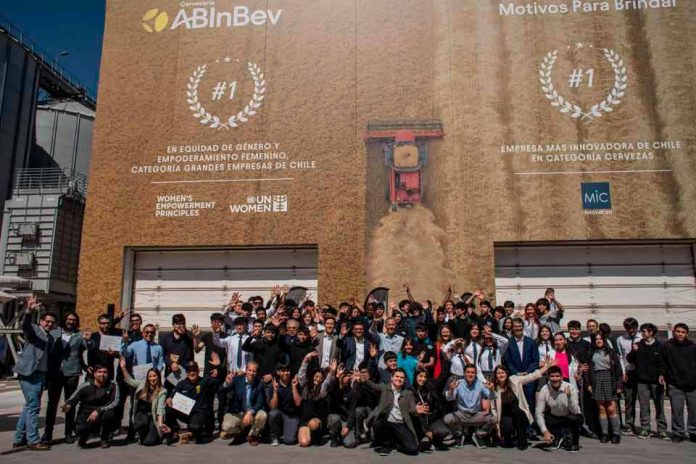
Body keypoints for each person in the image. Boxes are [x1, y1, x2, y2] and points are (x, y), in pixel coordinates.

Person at [13, 297, 56, 450]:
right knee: (34, 406)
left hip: (41, 374)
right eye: (47, 321)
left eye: (52, 322)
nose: (49, 324)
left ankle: (19, 438)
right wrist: (29, 310)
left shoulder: (50, 337)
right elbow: (26, 326)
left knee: (29, 406)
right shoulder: (35, 330)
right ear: (41, 321)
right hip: (29, 372)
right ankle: (32, 440)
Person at [492, 359, 557, 450]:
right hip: (505, 416)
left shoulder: (514, 380)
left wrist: (546, 367)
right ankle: (508, 438)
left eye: (503, 373)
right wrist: (497, 427)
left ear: (506, 374)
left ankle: (522, 440)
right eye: (498, 373)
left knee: (518, 413)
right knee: (507, 434)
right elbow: (493, 408)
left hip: (518, 413)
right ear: (495, 376)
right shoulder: (494, 389)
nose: (501, 375)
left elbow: (532, 376)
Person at [43, 311, 85, 444]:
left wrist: (89, 340)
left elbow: (88, 347)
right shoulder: (54, 332)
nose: (70, 322)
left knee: (70, 404)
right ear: (64, 320)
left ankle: (68, 433)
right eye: (68, 319)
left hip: (71, 373)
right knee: (52, 404)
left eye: (73, 320)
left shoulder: (79, 335)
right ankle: (47, 433)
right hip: (55, 373)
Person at [368, 368, 426, 456]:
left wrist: (417, 411)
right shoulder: (385, 388)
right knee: (378, 423)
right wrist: (363, 380)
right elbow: (373, 385)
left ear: (404, 380)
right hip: (387, 422)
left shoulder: (408, 393)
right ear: (391, 377)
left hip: (400, 424)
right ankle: (386, 443)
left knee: (412, 449)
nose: (399, 379)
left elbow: (412, 409)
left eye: (402, 377)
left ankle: (395, 442)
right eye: (397, 376)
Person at [627, 323, 668, 440]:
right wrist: (633, 351)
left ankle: (662, 430)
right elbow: (630, 360)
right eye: (642, 331)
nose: (642, 334)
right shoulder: (638, 345)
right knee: (644, 406)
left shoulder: (660, 346)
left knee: (659, 405)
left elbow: (662, 363)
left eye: (644, 331)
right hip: (642, 381)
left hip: (656, 381)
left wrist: (661, 375)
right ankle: (645, 428)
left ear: (651, 333)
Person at [63, 364, 120, 448]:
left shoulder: (113, 385)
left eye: (105, 372)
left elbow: (115, 402)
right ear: (94, 374)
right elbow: (73, 398)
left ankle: (104, 439)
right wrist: (68, 405)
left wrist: (98, 410)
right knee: (80, 429)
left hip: (102, 410)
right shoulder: (86, 385)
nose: (102, 374)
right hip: (87, 411)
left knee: (110, 414)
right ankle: (83, 437)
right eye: (99, 372)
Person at [164, 361, 220, 444]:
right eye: (189, 371)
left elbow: (218, 381)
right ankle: (173, 432)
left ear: (198, 371)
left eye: (194, 370)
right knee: (168, 407)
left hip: (201, 413)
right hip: (187, 412)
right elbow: (172, 395)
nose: (192, 373)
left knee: (195, 429)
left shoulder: (205, 381)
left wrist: (218, 368)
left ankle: (203, 433)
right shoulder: (181, 384)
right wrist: (169, 398)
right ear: (186, 373)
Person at [443, 363, 496, 449]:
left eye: (472, 372)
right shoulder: (458, 383)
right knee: (447, 419)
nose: (470, 374)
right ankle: (459, 435)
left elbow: (492, 397)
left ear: (475, 374)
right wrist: (452, 389)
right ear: (464, 373)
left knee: (494, 419)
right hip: (462, 415)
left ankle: (479, 435)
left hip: (476, 415)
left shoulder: (480, 384)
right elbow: (449, 398)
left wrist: (491, 390)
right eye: (468, 372)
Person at [659, 323, 696, 443]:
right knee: (677, 410)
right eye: (678, 331)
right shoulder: (667, 346)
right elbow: (662, 362)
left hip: (692, 384)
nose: (680, 334)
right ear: (674, 332)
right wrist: (662, 374)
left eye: (683, 332)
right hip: (674, 383)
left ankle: (693, 432)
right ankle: (678, 432)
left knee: (694, 410)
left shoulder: (693, 347)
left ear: (687, 334)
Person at [118, 357, 168, 446]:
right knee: (140, 424)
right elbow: (130, 381)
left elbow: (160, 409)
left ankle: (153, 435)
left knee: (148, 442)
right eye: (150, 376)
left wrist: (160, 424)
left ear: (158, 377)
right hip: (141, 415)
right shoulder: (142, 384)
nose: (152, 378)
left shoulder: (162, 391)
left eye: (154, 376)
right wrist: (123, 368)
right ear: (147, 377)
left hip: (152, 416)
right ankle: (143, 433)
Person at [536, 365, 583, 452]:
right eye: (552, 376)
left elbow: (576, 411)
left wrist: (569, 397)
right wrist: (544, 431)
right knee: (539, 421)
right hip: (555, 417)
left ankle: (574, 442)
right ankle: (557, 436)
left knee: (575, 418)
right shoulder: (544, 389)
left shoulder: (570, 387)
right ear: (548, 377)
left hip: (570, 416)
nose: (555, 379)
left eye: (557, 376)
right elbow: (539, 412)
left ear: (561, 377)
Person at [219, 361, 267, 445]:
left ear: (256, 372)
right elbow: (222, 391)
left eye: (254, 371)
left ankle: (252, 435)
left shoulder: (259, 383)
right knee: (226, 426)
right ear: (246, 370)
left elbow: (260, 403)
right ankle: (239, 432)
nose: (252, 373)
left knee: (263, 415)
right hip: (237, 412)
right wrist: (226, 383)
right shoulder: (237, 380)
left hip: (251, 413)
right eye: (250, 370)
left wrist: (250, 412)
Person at [294, 353, 336, 447]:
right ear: (313, 376)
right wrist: (305, 360)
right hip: (304, 420)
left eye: (321, 378)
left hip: (316, 421)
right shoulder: (305, 386)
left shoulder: (322, 391)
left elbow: (327, 383)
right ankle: (308, 434)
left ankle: (317, 435)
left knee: (313, 424)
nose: (318, 379)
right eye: (316, 377)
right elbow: (301, 374)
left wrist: (332, 372)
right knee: (304, 443)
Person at [503, 318, 539, 423]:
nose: (518, 328)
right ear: (512, 328)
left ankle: (530, 427)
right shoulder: (508, 343)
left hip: (529, 377)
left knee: (530, 402)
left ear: (523, 327)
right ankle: (518, 427)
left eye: (519, 326)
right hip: (515, 377)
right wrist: (516, 372)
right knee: (516, 403)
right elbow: (507, 361)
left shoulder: (531, 342)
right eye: (515, 326)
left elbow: (535, 360)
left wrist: (527, 372)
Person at [588, 334, 623, 443]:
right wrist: (589, 384)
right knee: (602, 409)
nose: (598, 341)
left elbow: (618, 370)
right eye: (596, 339)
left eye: (600, 339)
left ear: (604, 340)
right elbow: (588, 370)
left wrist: (619, 385)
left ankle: (616, 433)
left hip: (609, 379)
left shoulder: (611, 352)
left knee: (611, 408)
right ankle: (604, 433)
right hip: (597, 380)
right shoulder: (591, 353)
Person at [411, 368, 449, 451]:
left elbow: (437, 406)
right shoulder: (411, 391)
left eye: (425, 377)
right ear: (415, 377)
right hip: (417, 422)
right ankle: (421, 439)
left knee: (443, 431)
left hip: (431, 419)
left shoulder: (430, 389)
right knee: (413, 447)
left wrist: (431, 411)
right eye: (420, 376)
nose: (423, 379)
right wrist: (426, 429)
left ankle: (435, 441)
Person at [615, 317, 640, 435]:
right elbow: (620, 357)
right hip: (628, 372)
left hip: (641, 372)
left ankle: (645, 426)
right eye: (628, 328)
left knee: (644, 401)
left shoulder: (642, 338)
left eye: (633, 328)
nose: (631, 331)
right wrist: (623, 372)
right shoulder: (621, 339)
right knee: (629, 400)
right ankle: (629, 424)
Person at [159, 314, 194, 390]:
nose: (181, 326)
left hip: (185, 372)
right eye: (178, 324)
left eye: (183, 323)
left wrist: (192, 335)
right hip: (171, 373)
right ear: (173, 325)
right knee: (168, 395)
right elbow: (163, 354)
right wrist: (171, 363)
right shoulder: (165, 338)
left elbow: (194, 351)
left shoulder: (188, 336)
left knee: (182, 397)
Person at [268, 363, 300, 446]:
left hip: (291, 415)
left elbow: (298, 403)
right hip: (280, 414)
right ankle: (274, 436)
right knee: (273, 414)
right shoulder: (274, 385)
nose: (286, 373)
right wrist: (275, 391)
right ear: (278, 372)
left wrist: (294, 387)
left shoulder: (295, 383)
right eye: (283, 371)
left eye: (288, 371)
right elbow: (273, 407)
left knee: (289, 441)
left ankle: (288, 431)